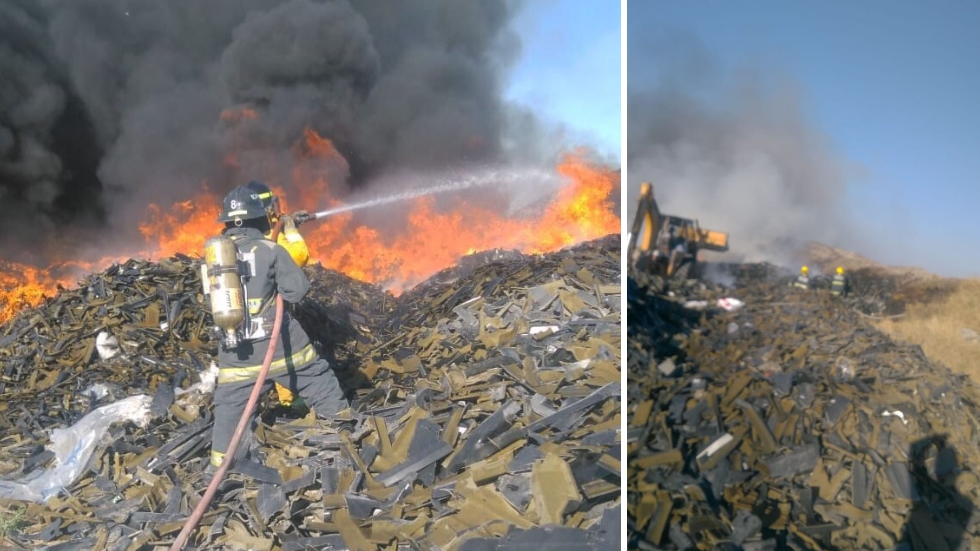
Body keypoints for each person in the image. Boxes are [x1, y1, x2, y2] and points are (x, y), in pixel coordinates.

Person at [208, 185, 347, 469]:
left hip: (237, 354)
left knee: (229, 412)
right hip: (281, 347)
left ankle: (220, 469)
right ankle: (348, 436)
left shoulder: (214, 258)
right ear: (260, 217)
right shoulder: (271, 249)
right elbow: (296, 292)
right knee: (321, 383)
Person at [245, 180, 310, 407]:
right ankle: (290, 404)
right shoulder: (267, 235)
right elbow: (297, 257)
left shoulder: (246, 232)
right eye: (272, 204)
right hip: (271, 310)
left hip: (249, 312)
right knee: (282, 351)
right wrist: (291, 231)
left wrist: (288, 223)